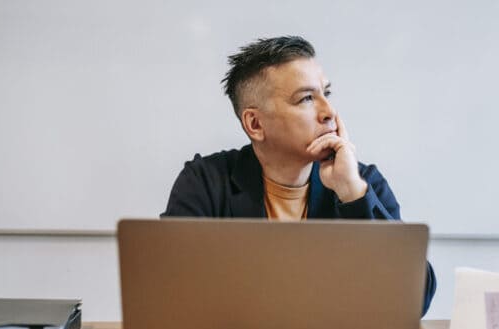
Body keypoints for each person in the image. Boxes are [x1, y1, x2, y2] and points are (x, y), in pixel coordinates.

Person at [161, 36, 436, 315]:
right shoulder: (206, 182)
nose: (329, 112)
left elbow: (414, 301)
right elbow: (169, 291)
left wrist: (353, 195)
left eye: (326, 94)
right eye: (306, 98)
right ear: (255, 124)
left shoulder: (360, 181)